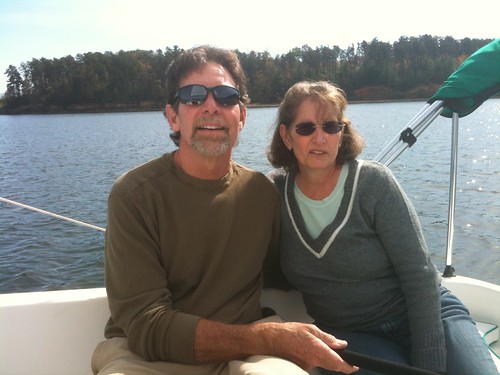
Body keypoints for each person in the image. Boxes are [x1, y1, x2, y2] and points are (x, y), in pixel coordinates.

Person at [91, 47, 359, 375]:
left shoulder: (262, 194)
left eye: (226, 96)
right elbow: (149, 325)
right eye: (192, 97)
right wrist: (268, 338)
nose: (211, 107)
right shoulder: (134, 194)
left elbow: (285, 270)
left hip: (248, 356)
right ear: (173, 116)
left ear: (242, 116)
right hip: (147, 357)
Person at [267, 80, 498, 375]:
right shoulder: (272, 194)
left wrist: (430, 364)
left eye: (330, 126)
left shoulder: (373, 183)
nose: (320, 138)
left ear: (342, 132)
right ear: (286, 136)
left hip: (430, 315)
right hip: (352, 336)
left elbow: (419, 277)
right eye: (306, 128)